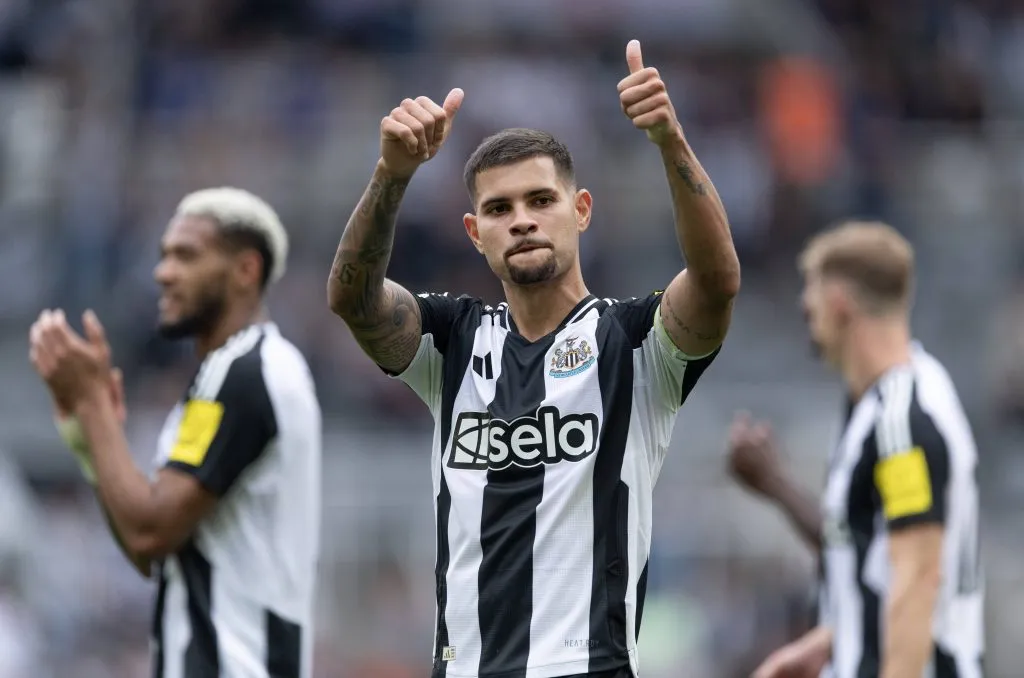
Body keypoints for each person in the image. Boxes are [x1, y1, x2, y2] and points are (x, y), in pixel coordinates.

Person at [327, 39, 740, 678]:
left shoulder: (633, 343)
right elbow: (353, 300)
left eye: (540, 201)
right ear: (475, 233)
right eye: (499, 208)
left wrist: (670, 141)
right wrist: (392, 175)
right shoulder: (453, 340)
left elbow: (715, 282)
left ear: (580, 212)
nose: (521, 220)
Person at [29, 188, 323, 678]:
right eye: (164, 255)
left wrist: (92, 404)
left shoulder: (248, 369)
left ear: (246, 270)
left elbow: (148, 532)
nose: (163, 272)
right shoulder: (226, 376)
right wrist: (91, 438)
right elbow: (149, 548)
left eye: (186, 255)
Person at [727, 221, 984, 678]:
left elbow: (918, 578)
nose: (806, 312)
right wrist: (835, 640)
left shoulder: (901, 421)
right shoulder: (883, 405)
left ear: (839, 303)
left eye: (811, 297)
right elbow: (874, 557)